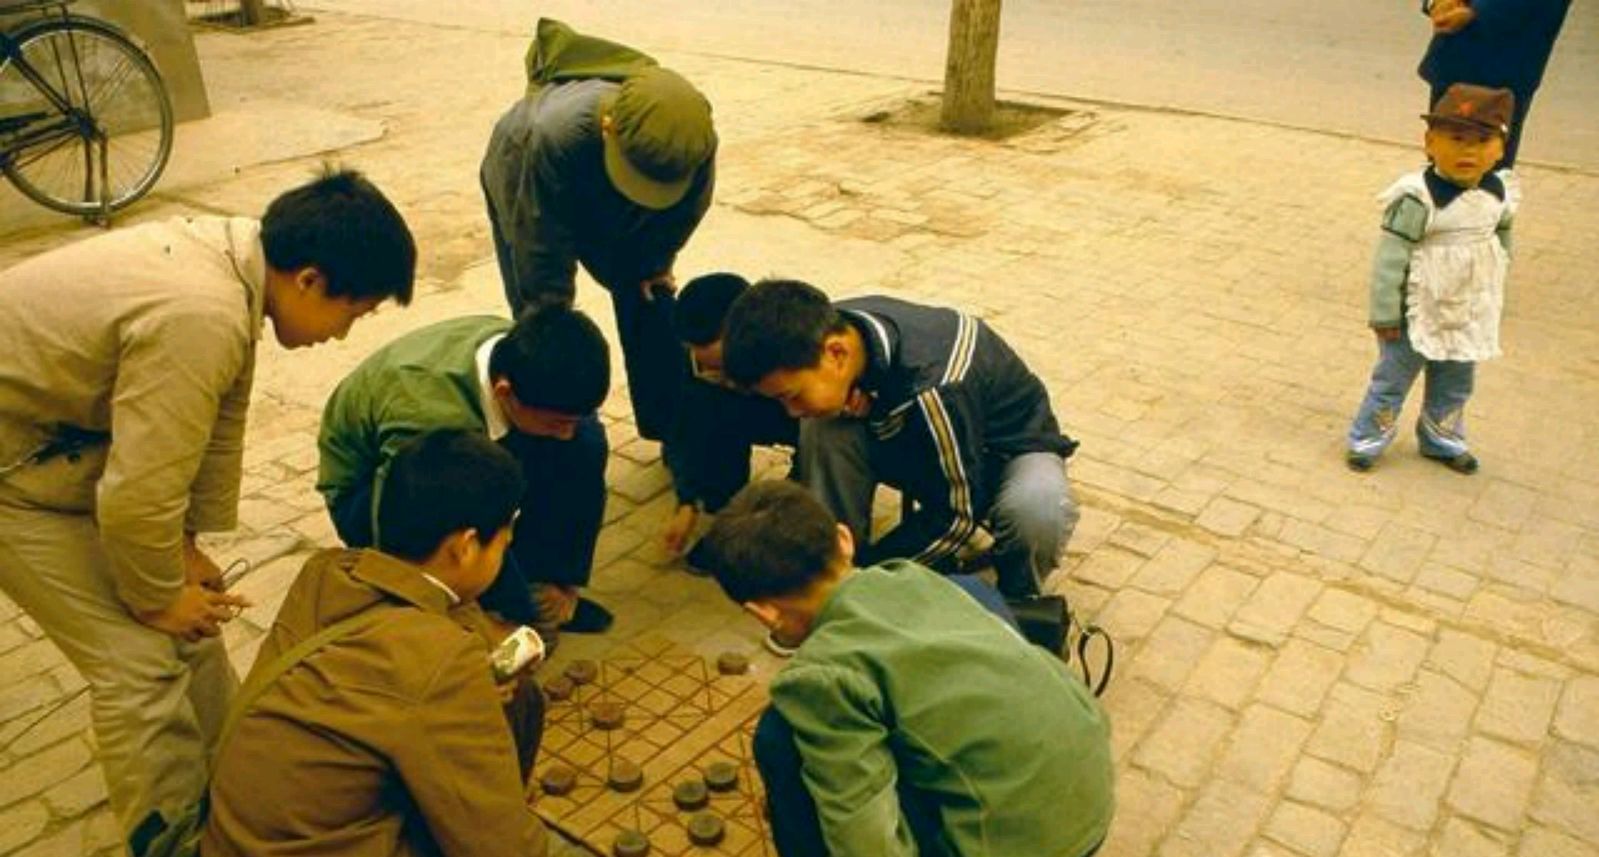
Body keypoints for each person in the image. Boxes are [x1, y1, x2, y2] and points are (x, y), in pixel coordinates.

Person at [0, 168, 416, 853]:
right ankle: (173, 838)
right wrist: (157, 595)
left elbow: (215, 428)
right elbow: (137, 496)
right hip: (16, 476)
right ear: (309, 280)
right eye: (354, 314)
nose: (344, 336)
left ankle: (238, 780)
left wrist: (186, 549)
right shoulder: (201, 313)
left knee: (193, 623)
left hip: (57, 444)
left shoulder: (236, 265)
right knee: (139, 663)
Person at [700, 480, 1113, 857]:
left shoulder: (820, 677)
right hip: (1092, 800)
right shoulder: (915, 576)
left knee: (779, 736)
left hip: (1020, 846)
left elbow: (869, 847)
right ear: (844, 539)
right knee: (973, 593)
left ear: (764, 612)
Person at [204, 429, 552, 856]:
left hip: (237, 837)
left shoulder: (328, 571)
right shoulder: (442, 660)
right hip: (313, 846)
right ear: (464, 548)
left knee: (514, 704)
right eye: (502, 544)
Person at [721, 279, 1081, 610]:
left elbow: (957, 512)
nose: (792, 412)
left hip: (1005, 452)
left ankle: (1019, 606)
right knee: (826, 427)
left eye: (792, 396)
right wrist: (872, 402)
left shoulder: (936, 386)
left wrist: (873, 579)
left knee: (1039, 510)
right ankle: (826, 571)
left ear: (836, 355)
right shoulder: (830, 329)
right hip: (926, 435)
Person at [481, 18, 716, 442]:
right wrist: (557, 340)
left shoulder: (691, 137)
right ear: (609, 128)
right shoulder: (551, 135)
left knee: (648, 290)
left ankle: (671, 427)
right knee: (541, 324)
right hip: (524, 175)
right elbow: (541, 246)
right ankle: (551, 432)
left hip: (598, 169)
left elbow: (686, 209)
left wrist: (657, 261)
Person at [317, 303, 614, 635]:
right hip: (371, 490)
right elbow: (394, 524)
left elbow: (570, 435)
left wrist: (564, 580)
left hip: (464, 439)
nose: (565, 433)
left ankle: (548, 584)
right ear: (504, 392)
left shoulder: (523, 355)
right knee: (471, 526)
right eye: (558, 422)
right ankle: (506, 606)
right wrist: (498, 617)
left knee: (584, 441)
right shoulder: (427, 417)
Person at [1347, 84, 1518, 475]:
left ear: (1500, 149)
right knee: (1393, 378)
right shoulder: (1418, 199)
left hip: (1467, 311)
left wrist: (1497, 279)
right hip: (1415, 312)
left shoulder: (1499, 192)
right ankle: (1367, 438)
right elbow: (1390, 259)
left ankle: (1442, 439)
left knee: (1456, 381)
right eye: (1456, 139)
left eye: (1482, 141)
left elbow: (1503, 233)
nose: (1468, 151)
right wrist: (1385, 313)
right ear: (1430, 143)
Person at [659, 273, 798, 560]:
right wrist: (688, 502)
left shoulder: (793, 345)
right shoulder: (698, 363)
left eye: (724, 367)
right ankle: (726, 509)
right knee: (709, 414)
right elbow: (687, 429)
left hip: (800, 418)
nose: (713, 373)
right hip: (747, 413)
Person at [1419, 0, 1571, 170]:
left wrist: (1475, 13)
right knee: (1440, 164)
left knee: (1486, 171)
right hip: (1455, 55)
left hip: (1506, 62)